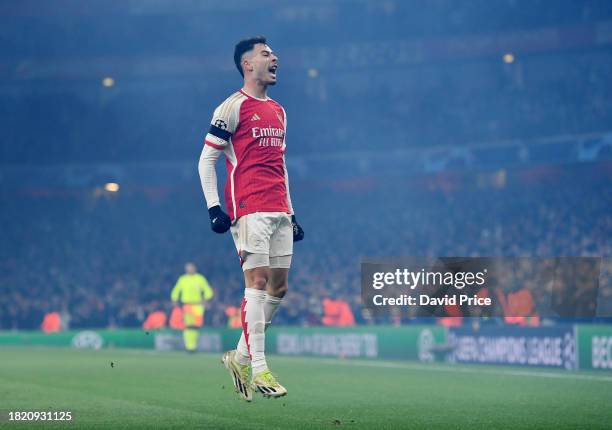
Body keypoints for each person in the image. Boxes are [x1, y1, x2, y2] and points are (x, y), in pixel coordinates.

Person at [198, 36, 304, 401]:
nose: (274, 57)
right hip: (250, 209)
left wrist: (292, 212)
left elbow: (281, 165)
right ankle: (259, 367)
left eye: (273, 53)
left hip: (278, 209)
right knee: (257, 282)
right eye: (265, 54)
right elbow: (206, 160)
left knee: (279, 288)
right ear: (247, 64)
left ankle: (239, 357)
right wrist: (215, 207)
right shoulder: (232, 107)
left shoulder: (279, 111)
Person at [170, 262, 214, 353]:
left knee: (195, 326)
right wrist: (174, 299)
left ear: (195, 268)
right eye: (187, 268)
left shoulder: (200, 278)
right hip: (187, 305)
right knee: (188, 326)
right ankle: (189, 347)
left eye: (191, 268)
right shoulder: (182, 279)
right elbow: (176, 290)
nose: (189, 269)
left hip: (198, 306)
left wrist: (205, 299)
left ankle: (193, 346)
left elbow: (208, 291)